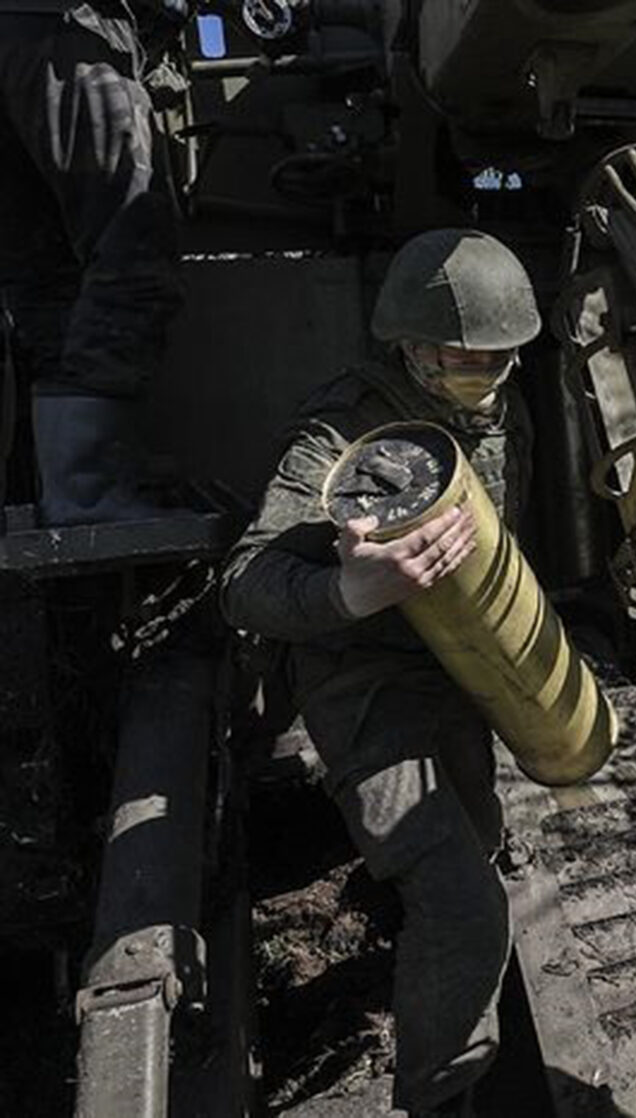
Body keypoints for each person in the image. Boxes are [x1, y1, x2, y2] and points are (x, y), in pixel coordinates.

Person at [222, 228, 539, 1116]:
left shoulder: (505, 407)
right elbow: (246, 585)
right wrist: (353, 589)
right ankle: (440, 1101)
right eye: (457, 359)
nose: (479, 376)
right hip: (364, 689)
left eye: (497, 360)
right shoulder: (339, 430)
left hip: (461, 673)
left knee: (473, 858)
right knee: (468, 909)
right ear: (405, 344)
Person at [0, 0, 189, 524]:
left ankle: (68, 488)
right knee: (133, 240)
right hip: (67, 27)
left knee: (43, 276)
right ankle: (89, 488)